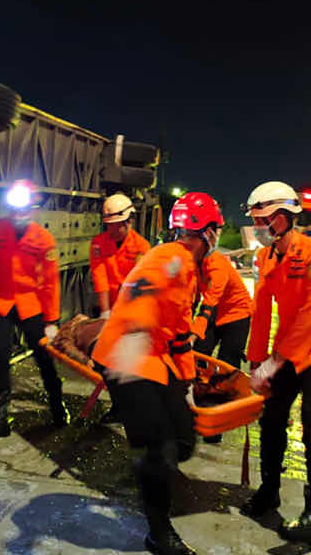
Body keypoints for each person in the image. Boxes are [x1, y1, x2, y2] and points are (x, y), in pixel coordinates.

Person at [90, 192, 223, 555]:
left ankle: (150, 472)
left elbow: (177, 329)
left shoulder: (176, 260)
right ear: (207, 231)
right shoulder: (175, 261)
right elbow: (145, 302)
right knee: (160, 447)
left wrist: (186, 381)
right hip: (129, 357)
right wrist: (136, 350)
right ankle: (159, 533)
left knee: (183, 439)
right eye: (215, 230)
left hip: (151, 355)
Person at [239, 181, 311, 550]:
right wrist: (256, 361)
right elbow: (260, 310)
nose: (257, 227)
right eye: (255, 220)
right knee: (271, 422)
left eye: (262, 220)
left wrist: (274, 362)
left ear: (283, 218)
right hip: (284, 351)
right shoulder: (265, 258)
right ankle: (269, 491)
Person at [0, 180, 69, 442]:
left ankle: (57, 404)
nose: (19, 214)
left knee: (43, 356)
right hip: (0, 302)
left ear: (33, 208)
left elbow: (50, 282)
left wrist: (52, 320)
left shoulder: (43, 239)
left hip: (30, 304)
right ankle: (0, 416)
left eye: (24, 209)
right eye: (15, 209)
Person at [90, 193, 152, 424]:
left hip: (133, 310)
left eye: (116, 225)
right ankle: (119, 406)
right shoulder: (99, 243)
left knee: (132, 364)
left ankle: (136, 407)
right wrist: (105, 312)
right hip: (111, 309)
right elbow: (100, 277)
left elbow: (139, 285)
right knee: (106, 362)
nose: (112, 230)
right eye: (109, 225)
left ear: (128, 221)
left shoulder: (141, 247)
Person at [191, 249, 252, 443]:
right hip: (216, 311)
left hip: (237, 313)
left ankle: (217, 423)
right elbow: (193, 296)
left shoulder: (217, 264)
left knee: (227, 366)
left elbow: (210, 300)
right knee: (198, 356)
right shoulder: (192, 263)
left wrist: (195, 332)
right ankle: (198, 408)